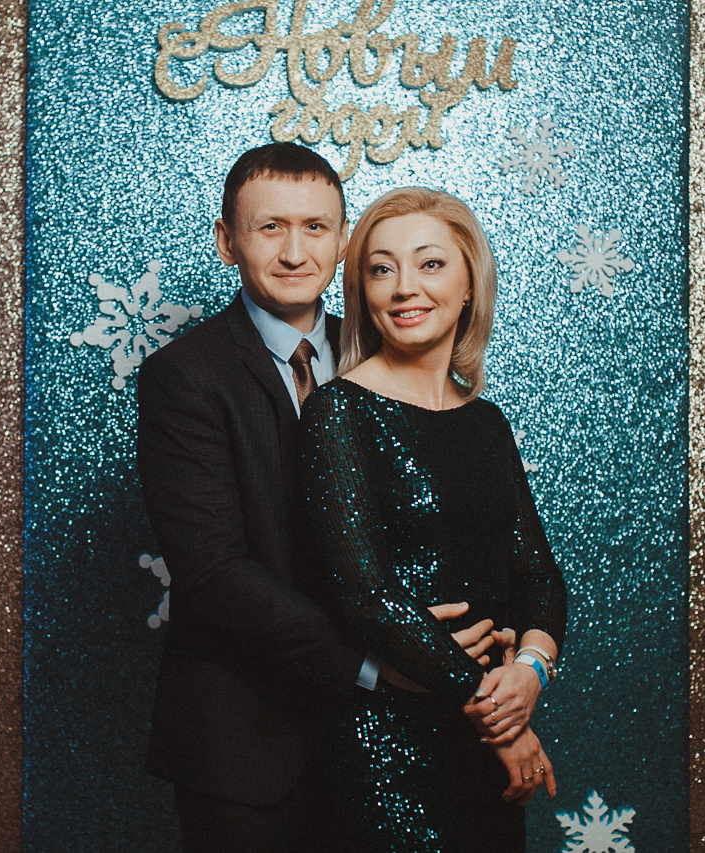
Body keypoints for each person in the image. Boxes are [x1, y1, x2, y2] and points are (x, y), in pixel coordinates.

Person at [136, 146, 510, 852]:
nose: (293, 251)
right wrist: (376, 663)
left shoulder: (384, 353)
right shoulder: (183, 377)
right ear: (227, 241)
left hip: (387, 743)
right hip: (248, 745)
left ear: (343, 243)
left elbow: (444, 526)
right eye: (270, 227)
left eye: (314, 227)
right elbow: (214, 574)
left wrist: (498, 649)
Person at [298, 187, 568, 852]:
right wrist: (499, 719)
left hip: (481, 743)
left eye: (429, 264)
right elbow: (367, 596)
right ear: (362, 291)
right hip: (387, 748)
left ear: (470, 283)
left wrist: (530, 672)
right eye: (381, 269)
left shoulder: (486, 422)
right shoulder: (338, 412)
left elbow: (537, 576)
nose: (403, 288)